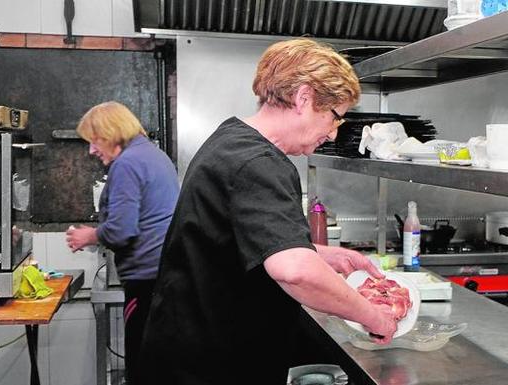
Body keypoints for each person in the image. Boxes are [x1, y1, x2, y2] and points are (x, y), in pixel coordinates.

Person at [139, 38, 399, 385]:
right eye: (335, 117)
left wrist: (318, 254)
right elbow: (294, 272)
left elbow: (237, 240)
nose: (333, 132)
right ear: (304, 98)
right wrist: (373, 317)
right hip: (210, 367)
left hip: (189, 353)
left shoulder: (231, 138)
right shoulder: (258, 162)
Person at [65, 101, 180, 385]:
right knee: (160, 368)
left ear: (112, 132)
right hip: (166, 279)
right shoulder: (154, 155)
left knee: (142, 371)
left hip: (145, 282)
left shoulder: (127, 164)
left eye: (95, 140)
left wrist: (87, 236)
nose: (92, 150)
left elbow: (121, 230)